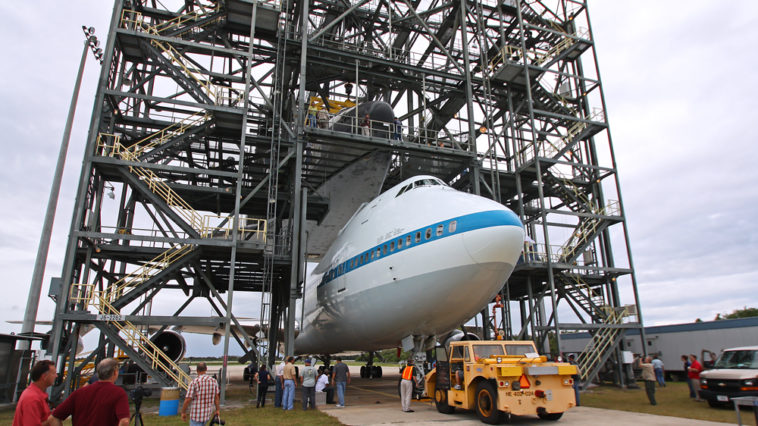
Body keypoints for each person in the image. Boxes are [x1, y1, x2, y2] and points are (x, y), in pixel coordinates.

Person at [50, 358, 129, 426]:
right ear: (115, 372)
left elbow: (54, 417)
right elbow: (124, 421)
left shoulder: (78, 393)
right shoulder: (118, 393)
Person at [13, 360, 57, 426]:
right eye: (53, 373)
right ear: (44, 376)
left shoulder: (36, 394)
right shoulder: (32, 398)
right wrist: (51, 420)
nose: (56, 376)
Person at [181, 362, 220, 426]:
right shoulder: (214, 381)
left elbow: (188, 399)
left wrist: (183, 412)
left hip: (196, 416)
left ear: (197, 370)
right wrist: (217, 409)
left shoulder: (194, 382)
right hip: (207, 415)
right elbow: (216, 398)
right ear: (206, 369)